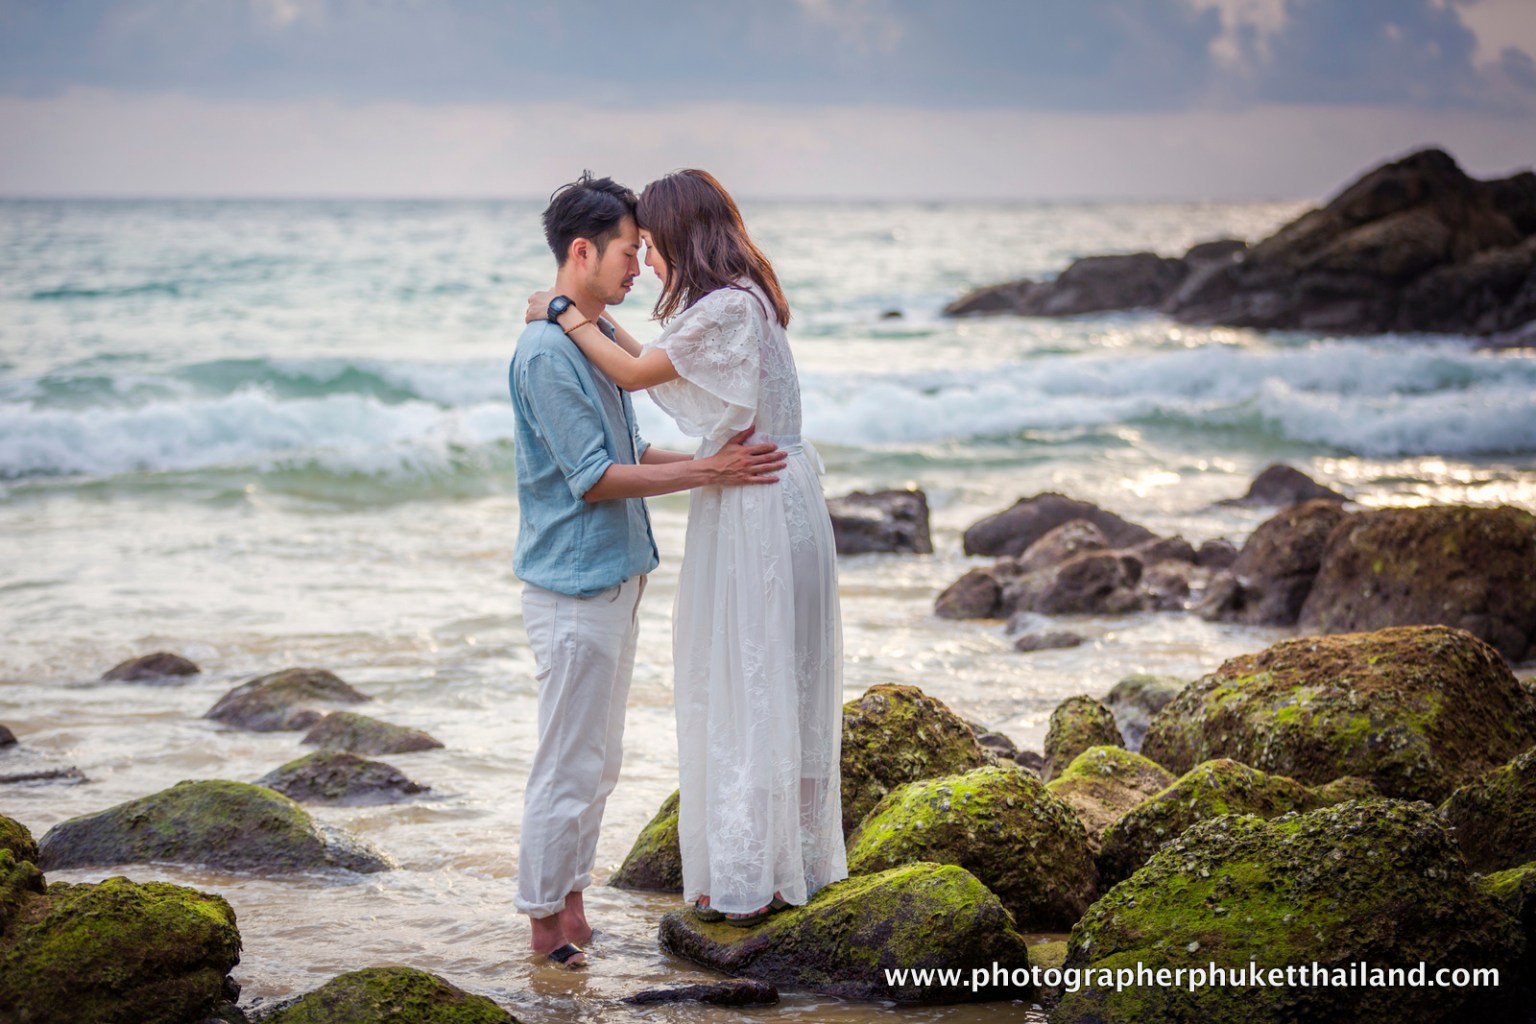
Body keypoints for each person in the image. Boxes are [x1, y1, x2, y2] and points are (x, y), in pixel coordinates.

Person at [529, 168, 848, 928]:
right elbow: (657, 365)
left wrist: (567, 311)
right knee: (770, 675)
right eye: (634, 249)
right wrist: (587, 321)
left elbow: (638, 374)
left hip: (756, 506)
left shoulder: (726, 307)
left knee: (750, 676)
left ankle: (752, 874)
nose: (648, 264)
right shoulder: (741, 302)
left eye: (652, 246)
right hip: (772, 493)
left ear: (680, 236)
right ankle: (777, 862)